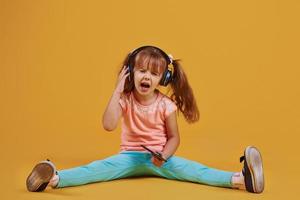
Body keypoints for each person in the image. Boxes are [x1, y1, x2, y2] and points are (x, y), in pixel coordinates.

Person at [26, 45, 264, 193]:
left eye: (154, 73)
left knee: (194, 170)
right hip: (128, 158)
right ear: (131, 72)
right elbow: (108, 125)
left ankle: (241, 180)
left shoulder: (165, 104)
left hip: (159, 159)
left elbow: (173, 138)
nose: (146, 76)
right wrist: (118, 88)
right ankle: (53, 179)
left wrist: (165, 156)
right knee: (96, 169)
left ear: (163, 79)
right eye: (141, 70)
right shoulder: (126, 99)